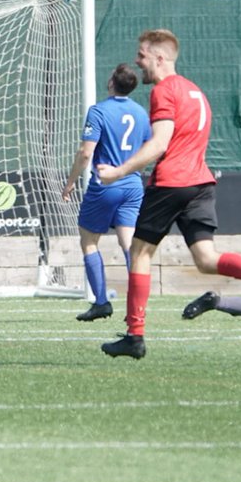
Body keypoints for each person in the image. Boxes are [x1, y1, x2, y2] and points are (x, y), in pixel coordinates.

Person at [95, 29, 241, 360]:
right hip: (201, 184)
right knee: (206, 259)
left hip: (173, 182)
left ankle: (134, 336)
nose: (137, 61)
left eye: (142, 56)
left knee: (140, 253)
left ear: (159, 58)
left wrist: (118, 172)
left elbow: (160, 144)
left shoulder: (165, 91)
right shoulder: (195, 91)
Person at [62, 63, 152, 322]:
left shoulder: (99, 111)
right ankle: (137, 306)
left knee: (89, 241)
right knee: (129, 246)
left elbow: (86, 153)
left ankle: (101, 302)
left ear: (112, 82)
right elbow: (147, 149)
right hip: (133, 185)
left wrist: (70, 182)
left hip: (105, 185)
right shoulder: (140, 113)